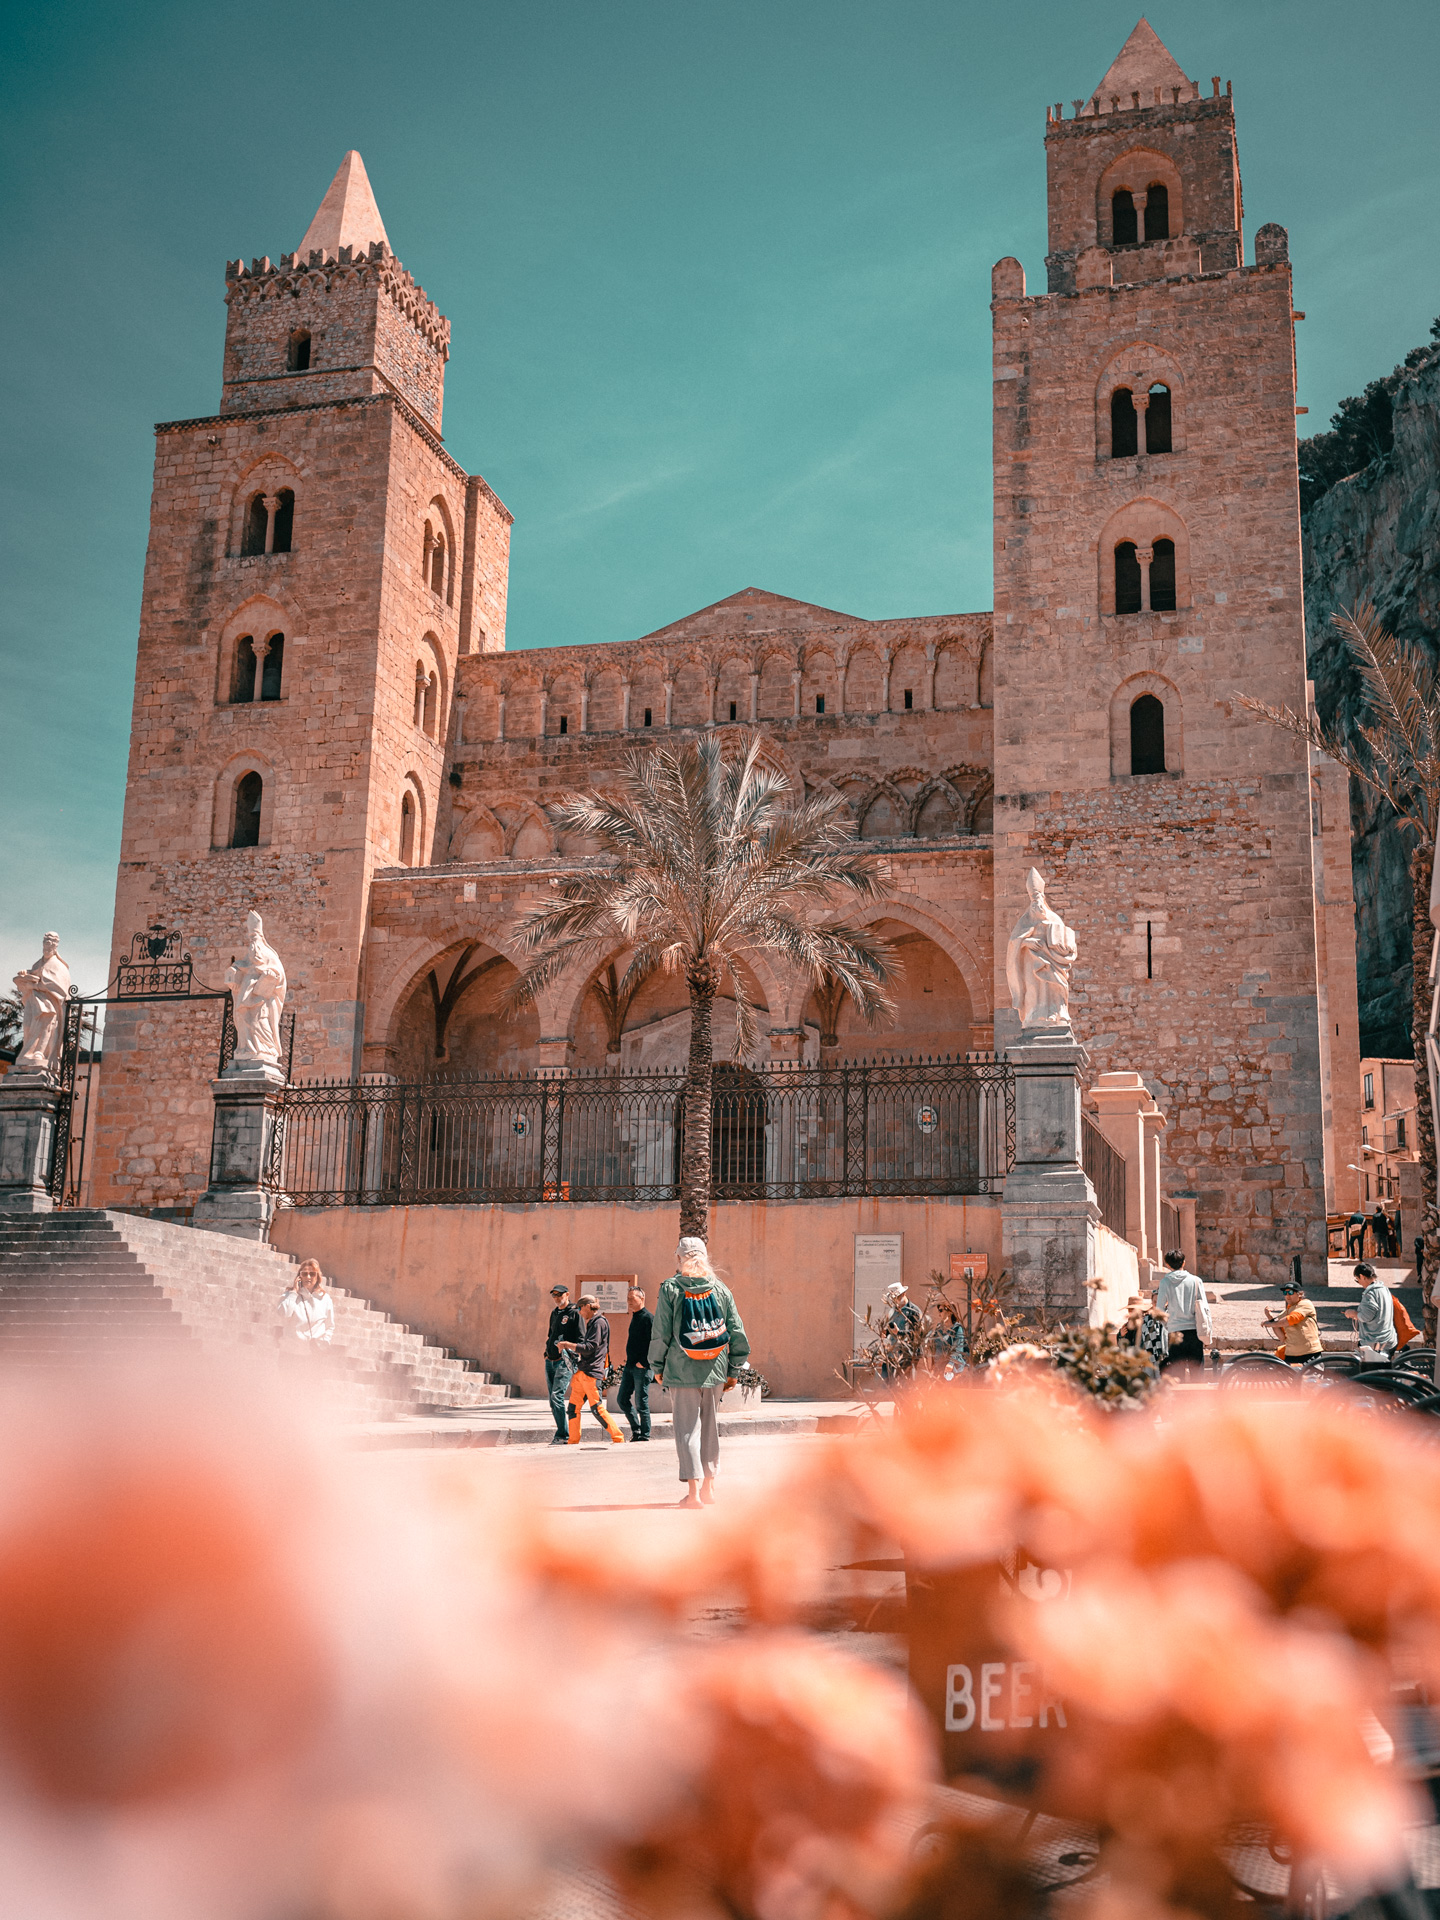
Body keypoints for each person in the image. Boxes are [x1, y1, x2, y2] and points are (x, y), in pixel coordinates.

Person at [650, 1236, 750, 1508]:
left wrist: (657, 1366)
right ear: (704, 1257)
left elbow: (660, 1333)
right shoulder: (720, 1289)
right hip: (715, 1368)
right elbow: (737, 1331)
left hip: (682, 1369)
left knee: (686, 1430)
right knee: (710, 1429)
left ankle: (693, 1495)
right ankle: (710, 1488)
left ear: (679, 1258)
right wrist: (734, 1368)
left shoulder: (671, 1288)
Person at [562, 1297, 626, 1445]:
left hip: (591, 1374)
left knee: (597, 1408)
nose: (579, 1312)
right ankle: (573, 1440)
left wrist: (568, 1345)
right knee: (572, 1408)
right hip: (582, 1372)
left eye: (580, 1308)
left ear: (588, 1306)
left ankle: (618, 1437)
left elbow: (590, 1347)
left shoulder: (599, 1323)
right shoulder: (593, 1323)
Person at [1152, 1249, 1212, 1371]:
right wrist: (1207, 1332)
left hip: (1174, 1332)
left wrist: (1168, 1326)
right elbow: (1205, 1308)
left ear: (1167, 1265)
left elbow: (1159, 1310)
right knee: (1197, 1375)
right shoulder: (1196, 1281)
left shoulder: (1165, 1282)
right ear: (1184, 1262)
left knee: (1177, 1374)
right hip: (1194, 1332)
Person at [544, 1285, 581, 1445]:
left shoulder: (574, 1313)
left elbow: (581, 1339)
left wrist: (570, 1351)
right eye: (554, 1296)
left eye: (559, 1295)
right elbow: (550, 1334)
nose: (557, 1298)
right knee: (553, 1400)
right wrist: (546, 1353)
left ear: (567, 1295)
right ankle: (562, 1432)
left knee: (557, 1395)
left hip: (564, 1360)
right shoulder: (554, 1313)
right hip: (550, 1360)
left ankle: (563, 1434)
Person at [617, 1285, 654, 1441]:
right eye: (628, 1299)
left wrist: (645, 1363)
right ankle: (636, 1430)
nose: (629, 1302)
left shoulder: (648, 1318)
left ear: (642, 1298)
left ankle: (644, 1435)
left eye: (633, 1298)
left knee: (641, 1403)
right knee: (622, 1399)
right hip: (630, 1367)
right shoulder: (635, 1316)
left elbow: (655, 1343)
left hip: (642, 1368)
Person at [1345, 1261, 1396, 1363]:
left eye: (1357, 1280)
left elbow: (1366, 1316)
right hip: (1389, 1339)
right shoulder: (1384, 1289)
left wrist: (1353, 1313)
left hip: (1376, 1343)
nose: (1359, 1283)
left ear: (1362, 1276)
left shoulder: (1371, 1293)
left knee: (1372, 1375)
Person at [1263, 1277, 1323, 1364]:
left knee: (1311, 1378)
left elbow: (1290, 1320)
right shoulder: (1283, 1314)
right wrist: (1270, 1319)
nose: (1287, 1296)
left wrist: (1269, 1324)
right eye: (1285, 1293)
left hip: (1310, 1352)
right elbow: (1282, 1337)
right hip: (1291, 1354)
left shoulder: (1305, 1304)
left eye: (1290, 1292)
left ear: (1300, 1294)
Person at [281, 1259, 334, 1344]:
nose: (308, 1277)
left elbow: (330, 1325)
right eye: (304, 1274)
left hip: (314, 1352)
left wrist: (325, 1341)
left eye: (312, 1274)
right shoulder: (289, 1295)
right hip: (291, 1350)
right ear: (299, 1277)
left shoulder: (325, 1299)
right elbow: (284, 1315)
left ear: (317, 1277)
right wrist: (294, 1292)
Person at [930, 1300, 967, 1377]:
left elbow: (958, 1348)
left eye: (941, 1310)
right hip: (938, 1368)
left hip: (951, 1369)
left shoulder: (957, 1328)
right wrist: (933, 1365)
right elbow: (935, 1348)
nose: (939, 1314)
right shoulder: (939, 1329)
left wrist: (951, 1363)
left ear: (950, 1312)